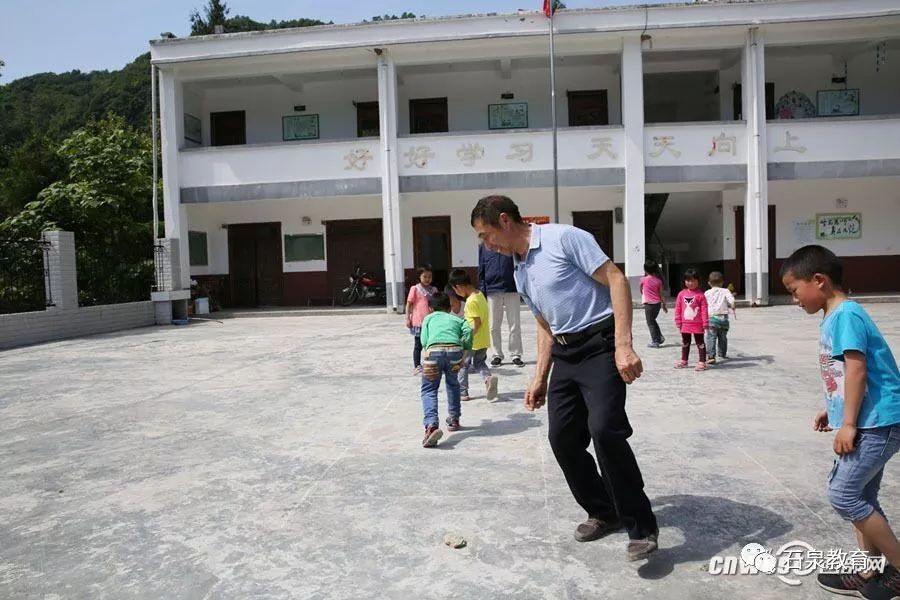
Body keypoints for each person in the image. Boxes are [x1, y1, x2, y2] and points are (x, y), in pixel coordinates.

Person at [470, 194, 658, 561]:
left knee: (605, 430)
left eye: (485, 234)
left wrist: (623, 345)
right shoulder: (519, 268)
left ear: (504, 221)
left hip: (600, 345)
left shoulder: (563, 238)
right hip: (566, 354)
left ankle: (641, 525)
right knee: (563, 438)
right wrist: (540, 375)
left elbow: (617, 280)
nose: (485, 244)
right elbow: (544, 323)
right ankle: (604, 510)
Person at [781, 245, 900, 599]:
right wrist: (832, 410)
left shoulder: (846, 314)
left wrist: (848, 424)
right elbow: (843, 375)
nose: (794, 300)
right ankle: (870, 570)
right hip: (869, 419)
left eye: (794, 290)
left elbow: (858, 368)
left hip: (878, 422)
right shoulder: (835, 316)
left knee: (843, 494)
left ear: (819, 280)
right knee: (861, 494)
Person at [419, 292, 473, 448]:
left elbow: (423, 339)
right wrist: (465, 349)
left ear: (430, 308)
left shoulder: (428, 318)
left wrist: (426, 350)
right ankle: (454, 419)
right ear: (450, 308)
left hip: (433, 353)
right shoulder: (456, 319)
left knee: (429, 389)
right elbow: (468, 331)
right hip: (455, 352)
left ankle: (431, 425)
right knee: (453, 384)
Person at [449, 268, 499, 402]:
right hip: (483, 339)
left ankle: (463, 392)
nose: (457, 293)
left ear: (458, 286)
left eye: (455, 290)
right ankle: (488, 379)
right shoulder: (480, 295)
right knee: (479, 363)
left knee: (463, 365)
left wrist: (466, 339)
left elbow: (476, 322)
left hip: (472, 341)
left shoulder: (471, 301)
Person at [478, 244, 524, 367]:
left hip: (512, 288)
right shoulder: (483, 247)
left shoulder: (510, 244)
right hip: (492, 290)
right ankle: (496, 355)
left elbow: (521, 263)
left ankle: (516, 354)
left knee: (514, 324)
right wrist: (483, 290)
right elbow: (481, 268)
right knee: (493, 325)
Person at [674, 268, 709, 371]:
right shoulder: (681, 294)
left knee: (700, 343)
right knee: (685, 342)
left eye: (693, 280)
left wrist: (705, 322)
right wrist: (678, 320)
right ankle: (684, 361)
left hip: (698, 324)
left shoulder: (701, 295)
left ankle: (702, 362)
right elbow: (678, 308)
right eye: (688, 280)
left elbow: (704, 310)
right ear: (684, 281)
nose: (691, 283)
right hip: (685, 324)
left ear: (698, 281)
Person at [405, 266, 437, 376]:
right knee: (418, 345)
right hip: (418, 322)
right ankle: (417, 366)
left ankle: (430, 364)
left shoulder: (434, 290)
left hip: (431, 323)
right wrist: (407, 318)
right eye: (425, 276)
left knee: (430, 345)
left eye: (430, 277)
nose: (427, 279)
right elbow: (409, 304)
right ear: (419, 277)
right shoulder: (415, 289)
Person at [704, 271, 735, 365]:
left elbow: (703, 304)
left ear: (709, 283)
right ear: (722, 282)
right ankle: (722, 353)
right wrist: (732, 305)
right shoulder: (726, 291)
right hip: (724, 319)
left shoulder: (707, 293)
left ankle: (711, 356)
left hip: (712, 318)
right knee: (723, 337)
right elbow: (731, 300)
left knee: (711, 337)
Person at [639, 261, 667, 348]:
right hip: (657, 304)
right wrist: (664, 305)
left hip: (649, 304)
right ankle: (659, 337)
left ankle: (655, 341)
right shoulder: (658, 281)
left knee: (650, 322)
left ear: (645, 270)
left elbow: (641, 290)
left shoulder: (643, 280)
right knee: (653, 320)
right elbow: (661, 294)